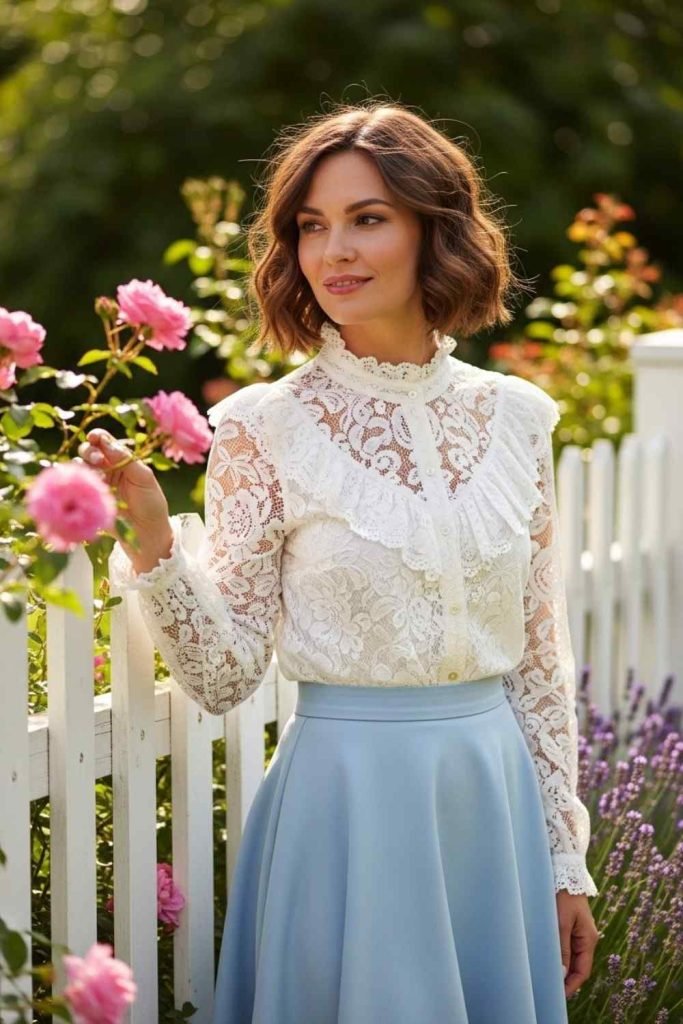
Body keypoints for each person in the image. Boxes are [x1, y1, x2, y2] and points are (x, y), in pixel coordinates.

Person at [79, 100, 600, 1023]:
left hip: (492, 804)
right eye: (312, 227)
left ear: (432, 231)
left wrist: (567, 861)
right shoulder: (261, 426)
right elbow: (226, 671)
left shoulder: (519, 415)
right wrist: (155, 543)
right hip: (343, 812)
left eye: (367, 219)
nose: (334, 253)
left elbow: (535, 656)